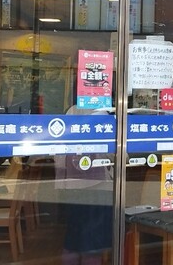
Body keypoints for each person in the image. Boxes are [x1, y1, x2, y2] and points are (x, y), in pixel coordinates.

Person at [55, 106, 114, 265]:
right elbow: (116, 153)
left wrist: (61, 183)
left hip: (72, 187)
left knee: (72, 242)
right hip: (98, 189)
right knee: (92, 245)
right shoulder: (102, 114)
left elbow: (59, 155)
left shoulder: (71, 112)